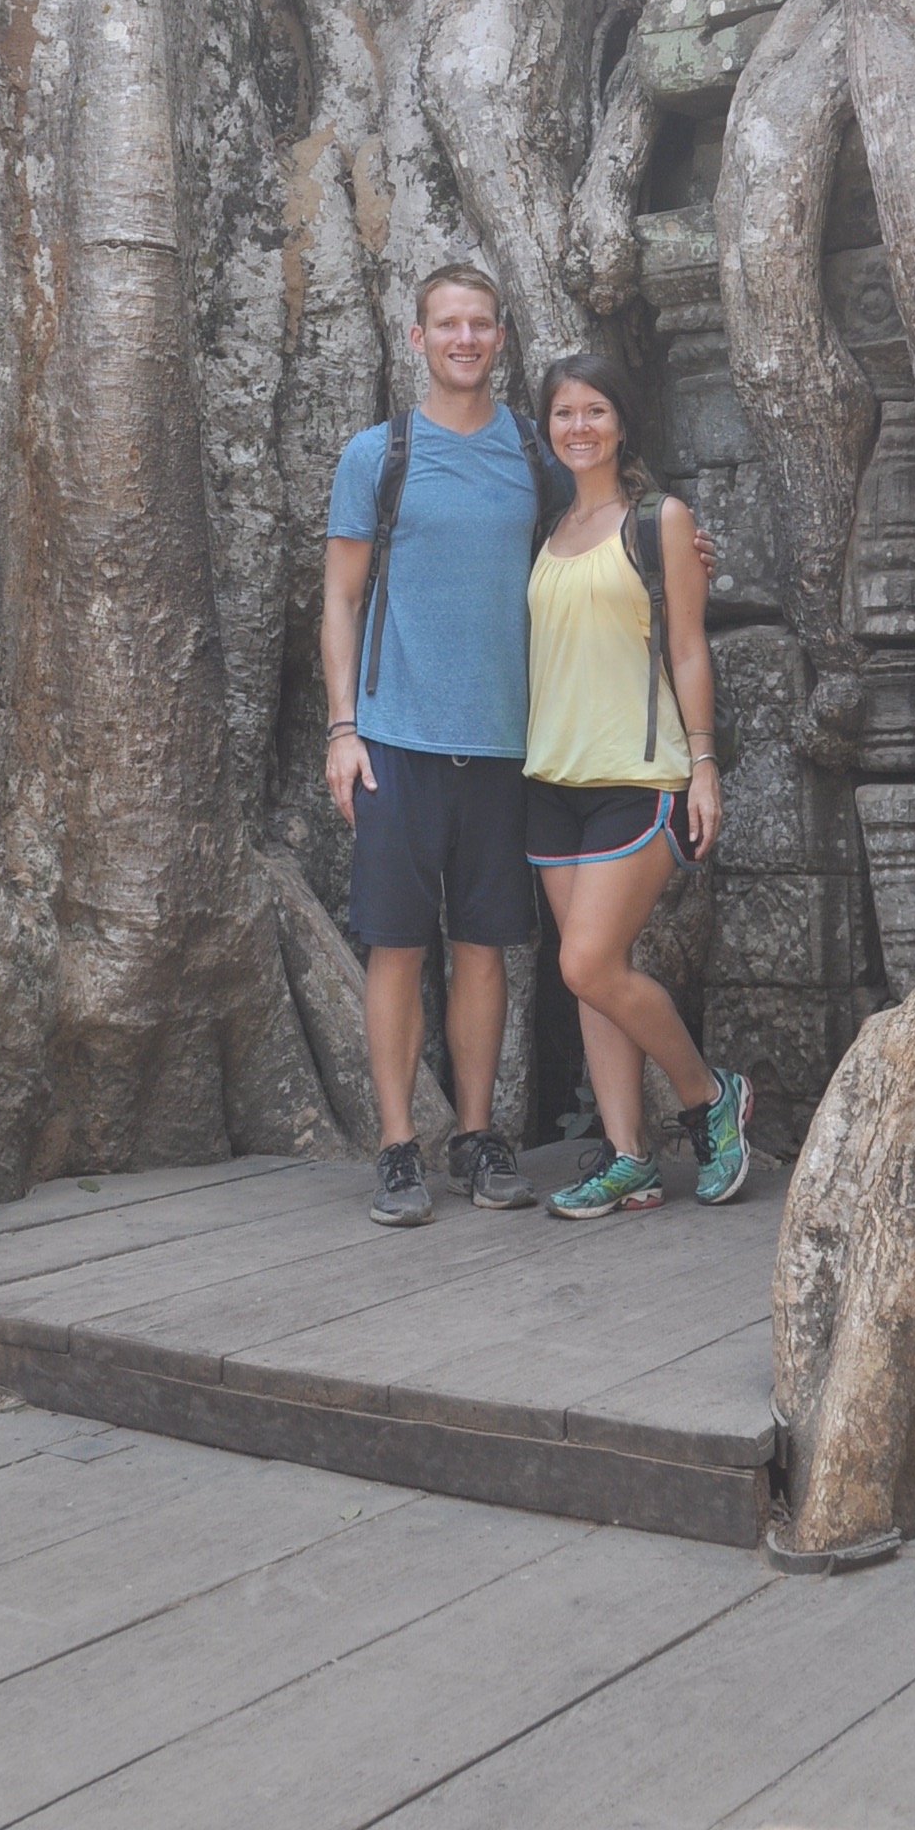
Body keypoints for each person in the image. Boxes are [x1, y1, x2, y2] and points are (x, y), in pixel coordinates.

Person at [322, 265, 553, 1227]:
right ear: (416, 340)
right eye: (447, 325)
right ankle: (395, 1147)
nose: (465, 339)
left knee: (486, 948)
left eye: (481, 325)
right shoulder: (378, 456)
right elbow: (339, 597)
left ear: (502, 338)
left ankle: (476, 1133)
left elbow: (606, 540)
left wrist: (684, 552)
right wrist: (343, 729)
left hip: (506, 743)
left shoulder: (536, 458)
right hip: (396, 738)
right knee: (397, 949)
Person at [524, 349, 751, 1217]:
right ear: (547, 430)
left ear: (622, 423)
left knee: (586, 960)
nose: (578, 428)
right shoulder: (545, 532)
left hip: (640, 775)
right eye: (563, 415)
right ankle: (628, 1156)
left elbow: (689, 647)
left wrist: (703, 766)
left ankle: (706, 1096)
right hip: (552, 777)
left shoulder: (660, 522)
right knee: (592, 973)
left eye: (595, 412)